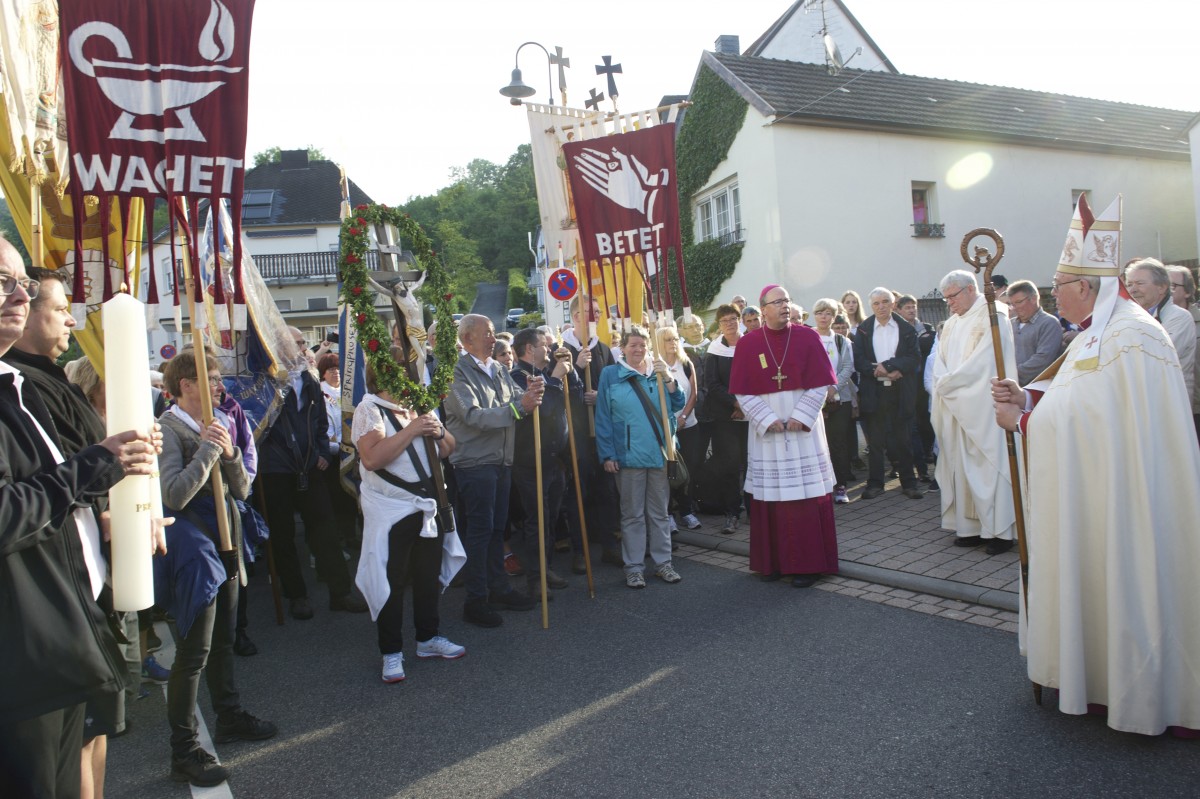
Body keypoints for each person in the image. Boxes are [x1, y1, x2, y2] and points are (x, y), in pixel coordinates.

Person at [991, 203, 1200, 736]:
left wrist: (1023, 421)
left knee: (1124, 573)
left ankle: (1136, 685)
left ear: (1083, 287)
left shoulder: (1133, 334)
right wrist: (1029, 398)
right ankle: (1094, 673)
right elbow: (1074, 395)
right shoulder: (1093, 331)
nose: (1052, 290)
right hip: (1095, 488)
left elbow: (1100, 421)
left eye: (1059, 283)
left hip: (1124, 495)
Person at [0, 237, 163, 799]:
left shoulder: (16, 386)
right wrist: (97, 466)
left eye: (22, 283)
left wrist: (123, 469)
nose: (18, 295)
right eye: (4, 282)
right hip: (25, 655)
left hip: (62, 637)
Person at [157, 350, 276, 787]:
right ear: (186, 385)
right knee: (194, 653)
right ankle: (183, 748)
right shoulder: (168, 429)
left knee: (224, 640)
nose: (220, 386)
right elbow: (173, 494)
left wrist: (227, 454)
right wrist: (208, 449)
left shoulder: (220, 421)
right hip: (194, 553)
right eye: (210, 378)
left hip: (226, 541)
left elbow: (242, 489)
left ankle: (229, 716)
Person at [352, 354, 463, 684]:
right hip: (391, 510)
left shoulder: (418, 405)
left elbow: (448, 449)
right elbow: (372, 459)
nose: (412, 380)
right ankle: (391, 651)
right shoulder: (369, 409)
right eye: (405, 374)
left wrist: (438, 430)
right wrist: (412, 428)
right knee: (392, 581)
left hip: (427, 505)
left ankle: (428, 638)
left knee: (427, 576)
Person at [730, 285, 839, 587]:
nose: (784, 306)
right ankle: (774, 563)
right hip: (768, 430)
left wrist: (800, 416)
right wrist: (766, 418)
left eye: (787, 301)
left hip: (802, 429)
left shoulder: (808, 336)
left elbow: (821, 384)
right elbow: (741, 389)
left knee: (804, 495)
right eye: (777, 302)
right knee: (771, 497)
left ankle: (808, 565)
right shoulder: (749, 343)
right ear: (762, 309)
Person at [259, 327, 367, 620]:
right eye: (296, 344)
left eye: (303, 343)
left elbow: (319, 422)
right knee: (282, 535)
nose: (303, 349)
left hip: (310, 465)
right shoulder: (262, 382)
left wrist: (320, 451)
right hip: (276, 470)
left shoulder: (308, 379)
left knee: (325, 530)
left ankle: (340, 592)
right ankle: (296, 595)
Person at [444, 314, 543, 628]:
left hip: (501, 460)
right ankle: (475, 600)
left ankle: (498, 588)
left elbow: (516, 400)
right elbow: (473, 415)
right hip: (474, 462)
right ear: (468, 338)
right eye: (487, 333)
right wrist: (519, 408)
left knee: (497, 530)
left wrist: (532, 393)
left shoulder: (499, 368)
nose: (493, 337)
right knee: (479, 532)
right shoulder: (454, 372)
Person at [929, 271, 1017, 555]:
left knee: (988, 465)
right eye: (946, 299)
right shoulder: (953, 323)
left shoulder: (994, 315)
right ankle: (970, 529)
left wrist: (949, 384)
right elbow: (938, 362)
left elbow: (985, 364)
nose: (949, 304)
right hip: (956, 406)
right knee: (960, 465)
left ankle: (1000, 532)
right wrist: (944, 384)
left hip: (984, 406)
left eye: (952, 297)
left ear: (970, 290)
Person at [596, 326, 684, 588]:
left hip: (659, 453)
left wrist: (668, 378)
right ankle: (634, 567)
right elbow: (603, 417)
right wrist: (607, 453)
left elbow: (677, 403)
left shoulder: (658, 371)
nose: (638, 349)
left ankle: (663, 564)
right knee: (632, 515)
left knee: (659, 513)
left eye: (642, 344)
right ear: (622, 348)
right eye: (632, 345)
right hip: (628, 456)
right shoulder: (610, 374)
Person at [509, 327, 580, 592]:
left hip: (554, 459)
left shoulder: (545, 373)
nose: (549, 349)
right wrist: (553, 379)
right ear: (529, 349)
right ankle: (536, 578)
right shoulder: (517, 377)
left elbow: (572, 398)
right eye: (544, 345)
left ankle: (546, 567)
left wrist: (569, 374)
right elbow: (544, 408)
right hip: (531, 461)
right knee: (536, 520)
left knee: (549, 519)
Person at [560, 295, 623, 565]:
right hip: (575, 434)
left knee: (606, 491)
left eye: (597, 311)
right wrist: (576, 369)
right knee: (578, 492)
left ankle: (609, 544)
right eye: (590, 312)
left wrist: (602, 397)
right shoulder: (561, 350)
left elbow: (615, 389)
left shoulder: (605, 350)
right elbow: (554, 394)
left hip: (602, 432)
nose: (596, 316)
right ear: (575, 317)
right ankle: (579, 550)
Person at [852, 288, 924, 500]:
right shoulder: (863, 330)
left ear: (893, 304)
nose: (881, 306)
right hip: (874, 392)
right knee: (875, 442)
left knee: (903, 440)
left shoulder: (906, 328)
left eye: (885, 302)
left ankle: (909, 483)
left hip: (900, 391)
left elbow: (915, 357)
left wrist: (892, 366)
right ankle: (875, 484)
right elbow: (859, 359)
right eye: (876, 303)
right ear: (871, 306)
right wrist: (876, 370)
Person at [1125, 257, 1196, 408]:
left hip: (1170, 402)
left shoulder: (1179, 318)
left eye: (1140, 283)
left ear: (1162, 287)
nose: (1133, 289)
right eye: (1129, 284)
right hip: (1143, 402)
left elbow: (1156, 356)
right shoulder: (1130, 318)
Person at [703, 304, 748, 534]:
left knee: (753, 463)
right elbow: (712, 383)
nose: (730, 324)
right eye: (725, 321)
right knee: (730, 465)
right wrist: (734, 403)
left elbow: (758, 377)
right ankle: (732, 512)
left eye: (733, 319)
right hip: (725, 416)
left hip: (752, 414)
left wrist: (745, 405)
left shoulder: (752, 343)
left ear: (739, 319)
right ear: (719, 325)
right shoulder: (714, 350)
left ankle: (754, 509)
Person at [655, 325, 702, 531]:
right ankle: (668, 513)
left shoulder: (685, 363)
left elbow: (694, 394)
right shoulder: (655, 366)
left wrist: (683, 416)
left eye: (675, 338)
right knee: (669, 472)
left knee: (688, 471)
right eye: (667, 340)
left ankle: (686, 511)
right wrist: (672, 422)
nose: (673, 343)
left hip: (689, 426)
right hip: (667, 430)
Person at [810, 299, 855, 503]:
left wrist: (833, 387)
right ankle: (820, 486)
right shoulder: (807, 337)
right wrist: (819, 390)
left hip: (839, 401)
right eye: (820, 313)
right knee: (818, 445)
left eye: (828, 313)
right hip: (813, 401)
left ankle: (840, 486)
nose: (824, 317)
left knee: (838, 444)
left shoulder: (840, 341)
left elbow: (847, 367)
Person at [896, 294, 935, 481]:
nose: (912, 310)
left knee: (925, 419)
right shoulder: (897, 330)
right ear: (899, 310)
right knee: (910, 424)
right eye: (907, 307)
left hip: (923, 381)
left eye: (914, 307)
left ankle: (927, 452)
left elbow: (930, 347)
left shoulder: (926, 328)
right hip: (906, 381)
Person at [1007, 279, 1065, 385]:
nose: (1015, 308)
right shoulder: (1010, 324)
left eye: (1019, 302)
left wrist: (1012, 374)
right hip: (1010, 386)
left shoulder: (1049, 323)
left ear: (1033, 298)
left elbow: (1043, 359)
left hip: (1037, 389)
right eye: (1012, 304)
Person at [1167, 265, 1200, 437]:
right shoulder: (1156, 322)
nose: (1166, 289)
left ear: (1187, 292)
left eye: (1172, 285)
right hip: (1180, 406)